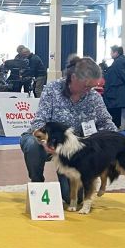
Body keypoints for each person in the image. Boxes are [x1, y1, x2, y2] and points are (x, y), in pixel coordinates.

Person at [20, 57, 116, 205]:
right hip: (48, 141)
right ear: (74, 77)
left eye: (92, 86)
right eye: (86, 86)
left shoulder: (94, 98)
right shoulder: (52, 89)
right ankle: (37, 184)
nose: (89, 90)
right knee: (33, 145)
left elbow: (106, 123)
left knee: (76, 198)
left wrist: (113, 143)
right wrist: (47, 142)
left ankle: (68, 184)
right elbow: (39, 122)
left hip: (74, 150)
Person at [101, 45, 125, 127]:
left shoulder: (118, 63)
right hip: (118, 90)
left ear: (116, 52)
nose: (110, 54)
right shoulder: (123, 61)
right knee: (117, 111)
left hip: (114, 90)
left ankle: (114, 127)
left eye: (112, 52)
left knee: (113, 112)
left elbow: (123, 76)